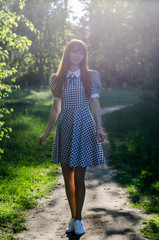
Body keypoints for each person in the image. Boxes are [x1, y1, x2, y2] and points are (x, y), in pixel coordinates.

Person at [38, 39, 105, 235]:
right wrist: (47, 132)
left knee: (79, 178)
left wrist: (99, 127)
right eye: (73, 52)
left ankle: (78, 219)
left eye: (80, 52)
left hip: (84, 124)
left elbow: (95, 103)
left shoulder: (91, 76)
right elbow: (55, 108)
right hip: (65, 125)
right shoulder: (57, 77)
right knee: (67, 177)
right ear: (67, 54)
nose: (77, 55)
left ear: (84, 56)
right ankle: (73, 216)